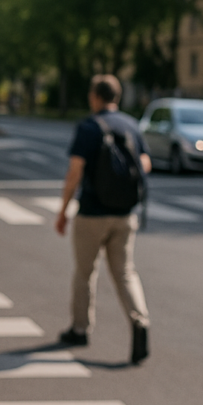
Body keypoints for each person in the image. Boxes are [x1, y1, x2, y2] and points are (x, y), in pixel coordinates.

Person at [54, 75, 151, 365]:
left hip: (92, 213)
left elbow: (75, 172)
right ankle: (140, 321)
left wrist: (63, 210)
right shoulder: (131, 125)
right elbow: (145, 163)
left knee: (85, 272)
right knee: (125, 272)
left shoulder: (89, 127)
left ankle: (80, 329)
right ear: (117, 97)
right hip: (125, 214)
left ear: (95, 97)